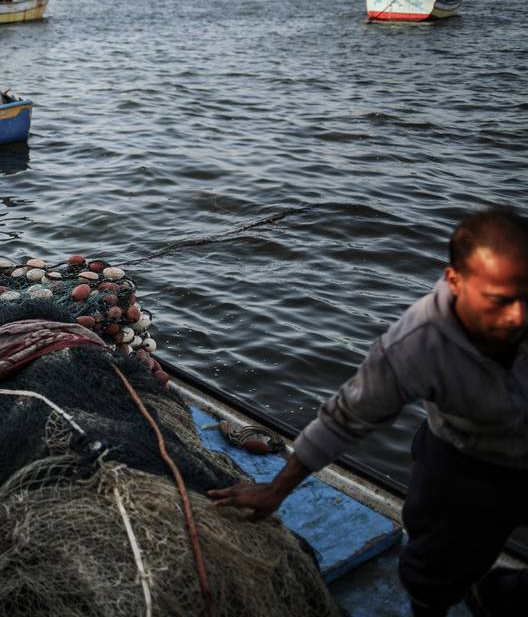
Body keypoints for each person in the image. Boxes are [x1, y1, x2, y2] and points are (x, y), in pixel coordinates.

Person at [209, 207, 528, 617]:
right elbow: (346, 417)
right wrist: (277, 489)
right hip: (464, 457)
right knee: (433, 573)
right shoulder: (417, 343)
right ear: (455, 281)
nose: (517, 316)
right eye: (498, 301)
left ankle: (502, 593)